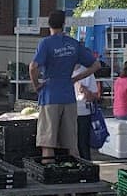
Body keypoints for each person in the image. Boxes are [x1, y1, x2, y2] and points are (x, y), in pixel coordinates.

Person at [29, 9, 99, 161]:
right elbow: (96, 65)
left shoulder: (46, 43)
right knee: (70, 143)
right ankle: (74, 174)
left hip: (49, 95)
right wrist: (76, 78)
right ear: (64, 24)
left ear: (49, 24)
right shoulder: (73, 44)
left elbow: (33, 67)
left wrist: (36, 85)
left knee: (48, 142)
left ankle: (49, 173)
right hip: (68, 95)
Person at [73, 67, 100, 160]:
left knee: (83, 143)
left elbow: (95, 96)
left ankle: (86, 165)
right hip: (66, 111)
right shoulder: (64, 69)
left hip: (83, 113)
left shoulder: (87, 72)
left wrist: (85, 91)